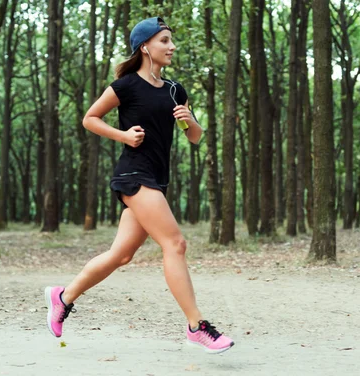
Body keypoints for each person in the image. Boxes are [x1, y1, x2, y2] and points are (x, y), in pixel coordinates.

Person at [44, 17, 234, 354]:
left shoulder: (176, 89)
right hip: (134, 174)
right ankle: (196, 326)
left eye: (171, 40)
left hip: (157, 179)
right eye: (164, 40)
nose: (171, 46)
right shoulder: (127, 86)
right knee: (175, 244)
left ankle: (64, 296)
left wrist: (191, 122)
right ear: (145, 46)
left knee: (122, 254)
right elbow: (90, 118)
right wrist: (124, 136)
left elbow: (194, 137)